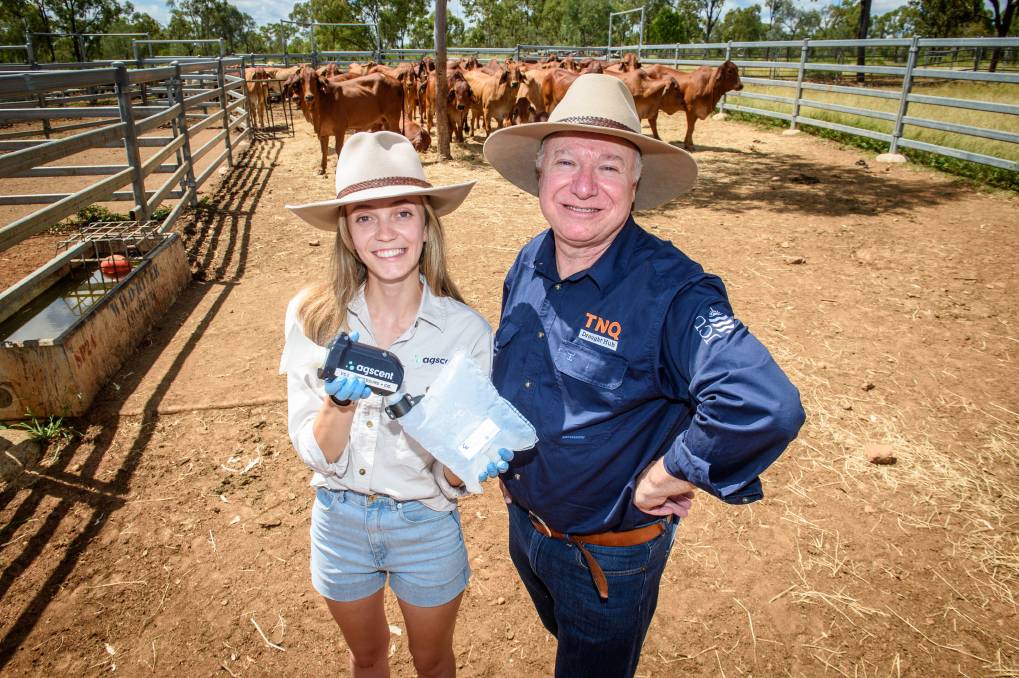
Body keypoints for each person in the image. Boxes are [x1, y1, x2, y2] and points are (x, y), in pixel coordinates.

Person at [481, 74, 806, 677]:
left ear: (635, 183)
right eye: (566, 161)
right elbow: (522, 376)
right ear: (539, 176)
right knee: (566, 637)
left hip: (608, 553)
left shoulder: (672, 290)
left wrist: (668, 474)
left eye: (608, 167)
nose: (583, 186)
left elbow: (764, 405)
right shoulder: (528, 259)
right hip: (526, 525)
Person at [282, 131, 511, 678]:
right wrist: (337, 405)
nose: (386, 233)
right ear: (347, 232)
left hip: (425, 523)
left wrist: (466, 464)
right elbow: (314, 455)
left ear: (427, 225)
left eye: (403, 214)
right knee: (367, 658)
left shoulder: (465, 333)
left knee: (431, 661)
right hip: (339, 519)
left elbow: (457, 476)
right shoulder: (314, 318)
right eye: (365, 217)